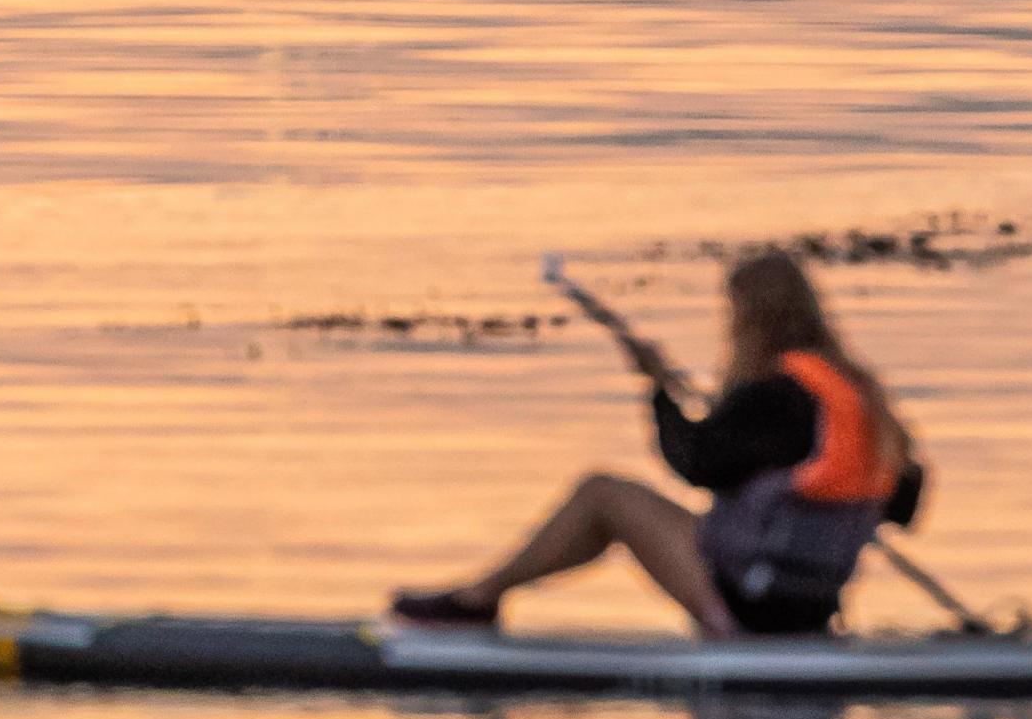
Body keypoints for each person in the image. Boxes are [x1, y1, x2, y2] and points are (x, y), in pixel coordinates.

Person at [391, 251, 915, 637]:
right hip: (813, 603)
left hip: (753, 599)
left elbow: (695, 461)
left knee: (603, 494)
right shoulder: (856, 393)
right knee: (604, 510)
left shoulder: (778, 396)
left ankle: (476, 601)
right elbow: (906, 502)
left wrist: (659, 392)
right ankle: (481, 598)